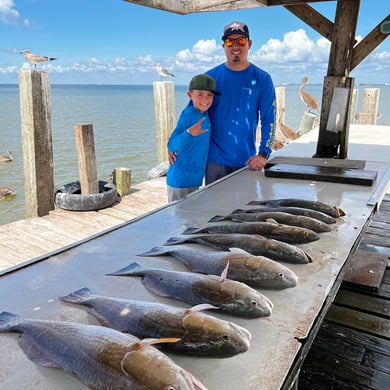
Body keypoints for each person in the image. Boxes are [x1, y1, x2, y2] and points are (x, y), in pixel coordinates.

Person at [204, 21, 277, 184]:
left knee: (246, 209)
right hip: (214, 162)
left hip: (248, 162)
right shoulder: (209, 78)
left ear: (249, 44)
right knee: (213, 209)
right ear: (223, 45)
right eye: (230, 41)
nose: (235, 46)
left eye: (241, 41)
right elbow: (192, 115)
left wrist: (264, 154)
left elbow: (269, 119)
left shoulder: (263, 79)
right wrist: (174, 143)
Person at [166, 74, 221, 202]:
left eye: (209, 95)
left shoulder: (205, 113)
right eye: (200, 94)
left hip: (194, 179)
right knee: (177, 220)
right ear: (190, 95)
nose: (205, 99)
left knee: (190, 219)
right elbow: (171, 145)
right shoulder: (189, 115)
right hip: (180, 181)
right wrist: (189, 133)